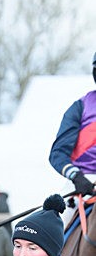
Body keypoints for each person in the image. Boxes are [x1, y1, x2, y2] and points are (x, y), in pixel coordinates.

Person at [49, 52, 96, 212]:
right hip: (85, 182)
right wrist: (76, 176)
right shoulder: (79, 108)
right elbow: (57, 154)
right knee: (57, 226)